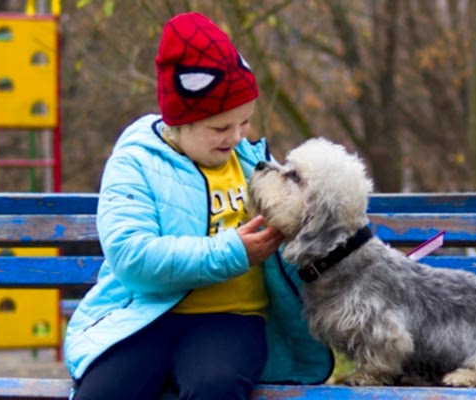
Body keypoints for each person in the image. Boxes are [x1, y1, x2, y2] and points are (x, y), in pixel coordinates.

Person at [63, 12, 333, 400]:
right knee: (104, 392)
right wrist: (232, 252)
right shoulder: (136, 161)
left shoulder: (252, 162)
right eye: (221, 128)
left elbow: (308, 225)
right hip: (145, 315)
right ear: (178, 123)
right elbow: (130, 255)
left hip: (233, 319)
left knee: (215, 386)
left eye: (244, 122)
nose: (237, 137)